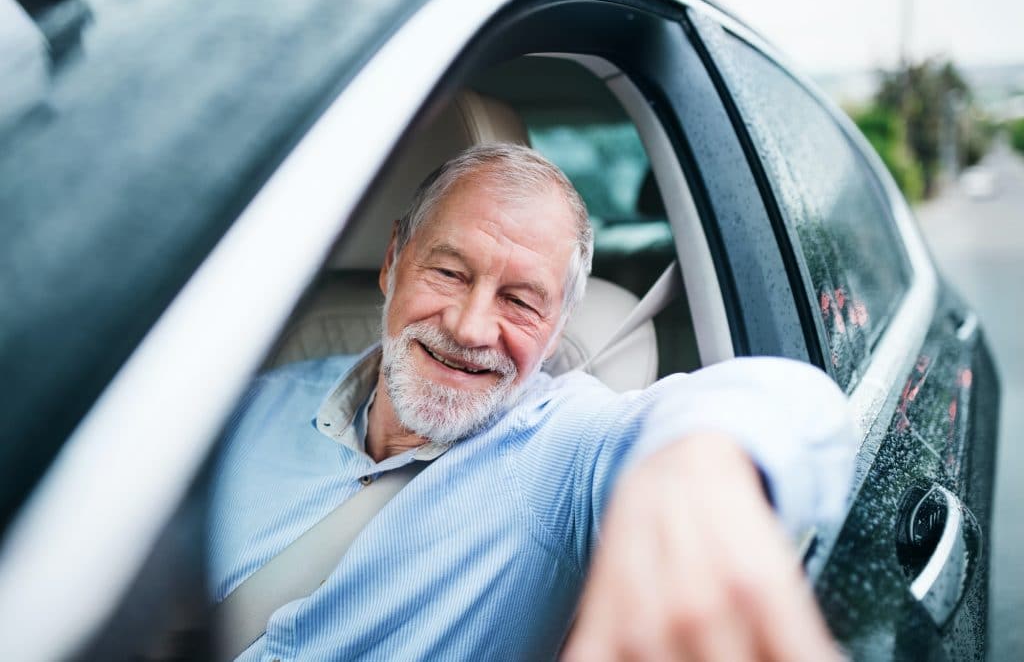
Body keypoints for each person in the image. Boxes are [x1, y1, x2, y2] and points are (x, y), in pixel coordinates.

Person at [208, 143, 858, 660]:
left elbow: (792, 402)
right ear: (392, 263)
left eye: (520, 300)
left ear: (556, 328)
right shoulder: (249, 404)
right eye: (449, 272)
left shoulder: (562, 447)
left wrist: (698, 465)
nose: (468, 327)